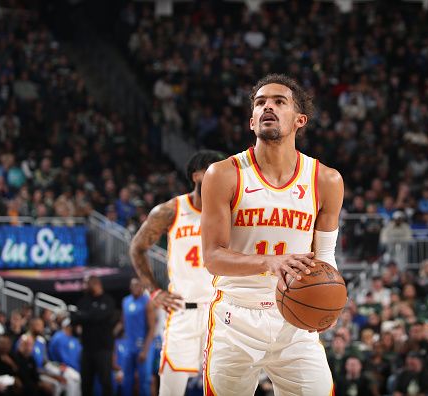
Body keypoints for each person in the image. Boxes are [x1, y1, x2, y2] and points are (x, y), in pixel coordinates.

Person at [201, 74, 344, 394]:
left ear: (299, 120)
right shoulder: (223, 174)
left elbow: (324, 256)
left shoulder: (326, 180)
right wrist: (271, 262)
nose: (268, 106)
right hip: (235, 318)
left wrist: (330, 299)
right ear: (252, 121)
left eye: (280, 102)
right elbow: (212, 257)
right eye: (260, 102)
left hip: (296, 319)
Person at [129, 150, 226, 396]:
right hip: (183, 310)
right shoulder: (171, 210)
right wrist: (154, 292)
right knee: (170, 390)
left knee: (226, 388)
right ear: (196, 175)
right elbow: (137, 249)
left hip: (221, 311)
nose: (220, 175)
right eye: (212, 169)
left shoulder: (231, 212)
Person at [71, 276, 116, 396]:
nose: (84, 286)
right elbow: (74, 319)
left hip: (103, 349)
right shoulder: (83, 301)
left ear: (95, 283)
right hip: (87, 349)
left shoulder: (108, 300)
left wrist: (85, 316)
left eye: (87, 283)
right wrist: (92, 316)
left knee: (106, 382)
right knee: (85, 383)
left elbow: (103, 316)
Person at [121, 278, 156, 396]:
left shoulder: (147, 302)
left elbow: (152, 328)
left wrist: (145, 351)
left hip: (143, 346)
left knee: (144, 381)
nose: (136, 287)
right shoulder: (125, 301)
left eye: (138, 285)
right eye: (134, 285)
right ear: (130, 287)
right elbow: (124, 323)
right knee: (127, 379)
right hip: (129, 345)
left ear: (142, 287)